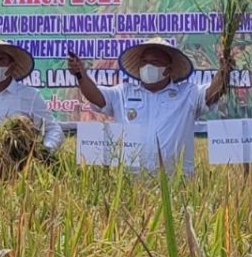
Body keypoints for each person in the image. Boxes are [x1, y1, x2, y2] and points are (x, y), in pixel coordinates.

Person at [67, 37, 231, 174]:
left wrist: (224, 73)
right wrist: (81, 75)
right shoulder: (124, 92)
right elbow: (97, 98)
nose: (148, 66)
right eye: (144, 62)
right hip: (131, 184)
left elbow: (211, 94)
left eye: (155, 62)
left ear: (168, 69)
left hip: (177, 182)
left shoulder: (187, 93)